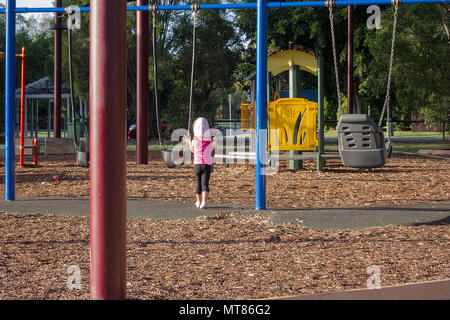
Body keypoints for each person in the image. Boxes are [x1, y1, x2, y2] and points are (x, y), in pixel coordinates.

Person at [183, 117, 216, 209]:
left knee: (198, 183)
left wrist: (189, 141)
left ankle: (198, 201)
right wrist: (215, 141)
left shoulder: (194, 141)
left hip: (197, 165)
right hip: (207, 165)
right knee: (205, 183)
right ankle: (204, 202)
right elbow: (212, 149)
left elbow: (192, 150)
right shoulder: (208, 142)